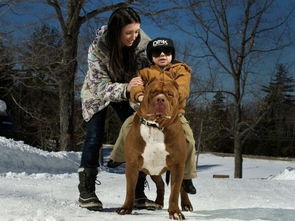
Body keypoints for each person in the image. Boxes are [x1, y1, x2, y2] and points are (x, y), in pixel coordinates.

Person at [79, 7, 155, 211]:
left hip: (129, 91)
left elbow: (152, 70)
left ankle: (138, 192)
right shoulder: (99, 48)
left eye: (137, 31)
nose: (134, 36)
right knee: (95, 136)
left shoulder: (144, 45)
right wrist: (126, 88)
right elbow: (100, 86)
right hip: (99, 92)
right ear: (116, 32)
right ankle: (86, 191)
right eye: (128, 32)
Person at [108, 37, 197, 197]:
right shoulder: (145, 72)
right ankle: (118, 156)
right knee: (127, 125)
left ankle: (186, 176)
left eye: (167, 51)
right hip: (148, 113)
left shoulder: (181, 70)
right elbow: (136, 86)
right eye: (157, 53)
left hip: (173, 114)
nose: (162, 54)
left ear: (172, 54)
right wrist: (140, 96)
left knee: (189, 139)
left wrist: (173, 96)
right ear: (151, 56)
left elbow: (183, 88)